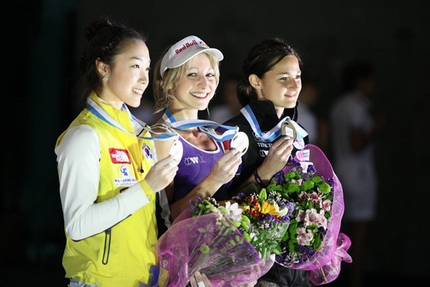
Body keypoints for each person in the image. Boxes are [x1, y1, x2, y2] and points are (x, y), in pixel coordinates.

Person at [54, 18, 180, 287]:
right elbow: (77, 226)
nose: (145, 79)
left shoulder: (142, 133)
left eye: (147, 68)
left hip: (145, 280)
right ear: (103, 67)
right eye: (135, 66)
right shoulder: (84, 135)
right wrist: (147, 186)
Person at [223, 37, 311, 287]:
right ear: (256, 81)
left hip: (296, 268)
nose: (294, 85)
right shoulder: (234, 132)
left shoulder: (299, 134)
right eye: (283, 78)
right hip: (254, 270)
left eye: (298, 76)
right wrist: (263, 174)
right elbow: (215, 209)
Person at [152, 35, 244, 221]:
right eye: (192, 74)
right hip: (182, 249)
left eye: (209, 75)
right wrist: (214, 181)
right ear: (169, 82)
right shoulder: (161, 137)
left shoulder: (217, 136)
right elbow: (163, 219)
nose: (204, 84)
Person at [329, 61, 385, 287]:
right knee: (359, 237)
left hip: (340, 172)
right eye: (371, 79)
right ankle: (354, 282)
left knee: (335, 235)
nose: (374, 84)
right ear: (360, 81)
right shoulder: (356, 106)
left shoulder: (339, 104)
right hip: (359, 176)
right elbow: (357, 144)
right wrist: (377, 128)